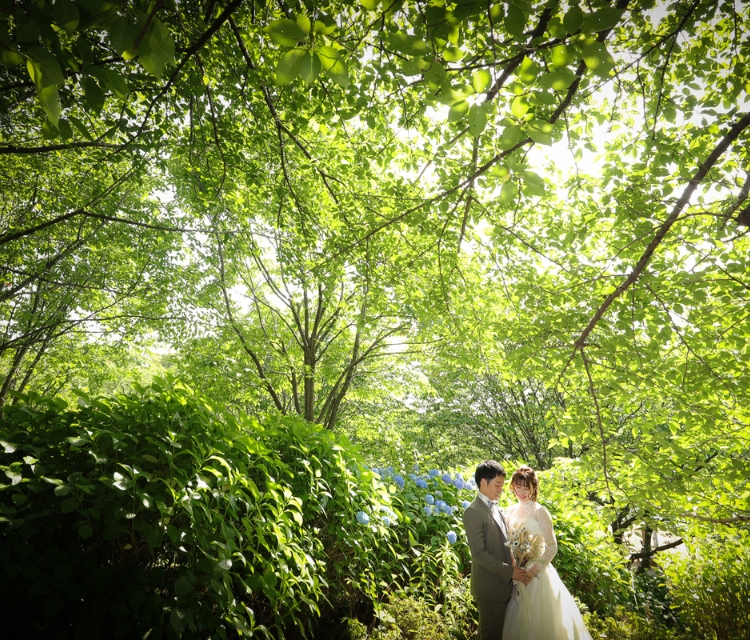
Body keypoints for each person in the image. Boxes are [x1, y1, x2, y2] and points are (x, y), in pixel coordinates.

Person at [502, 466, 592, 640]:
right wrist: (516, 569)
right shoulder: (510, 511)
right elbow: (508, 544)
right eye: (518, 487)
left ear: (534, 487)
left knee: (539, 625)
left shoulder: (540, 511)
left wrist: (531, 572)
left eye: (526, 487)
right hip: (517, 575)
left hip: (538, 577)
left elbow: (551, 547)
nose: (522, 491)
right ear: (513, 486)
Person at [463, 460, 533, 640]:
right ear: (483, 482)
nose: (501, 489)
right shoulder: (473, 511)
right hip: (490, 589)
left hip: (503, 587)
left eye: (502, 485)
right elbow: (479, 554)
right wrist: (511, 572)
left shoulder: (496, 508)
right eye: (498, 485)